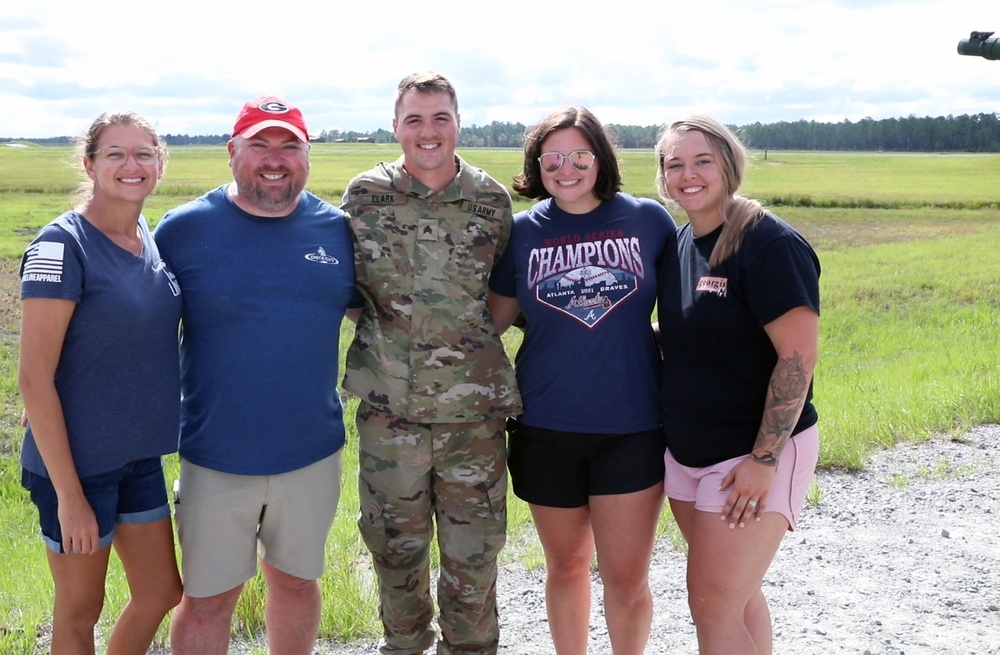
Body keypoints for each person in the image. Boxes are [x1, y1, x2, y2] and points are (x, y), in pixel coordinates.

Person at [153, 96, 362, 655]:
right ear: (232, 153)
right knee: (208, 598)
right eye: (260, 145)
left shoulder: (339, 230)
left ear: (307, 155)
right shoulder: (183, 230)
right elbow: (131, 320)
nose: (276, 159)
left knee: (296, 583)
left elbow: (382, 320)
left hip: (311, 453)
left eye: (289, 145)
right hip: (214, 455)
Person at [340, 72, 521, 655]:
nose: (427, 131)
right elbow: (350, 289)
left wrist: (460, 347)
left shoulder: (491, 201)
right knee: (395, 553)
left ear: (458, 123)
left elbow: (504, 294)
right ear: (395, 126)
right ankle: (405, 647)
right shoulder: (364, 195)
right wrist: (394, 347)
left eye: (440, 117)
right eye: (414, 119)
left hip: (475, 421)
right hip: (390, 420)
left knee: (474, 559)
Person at [486, 106, 676, 655]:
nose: (565, 170)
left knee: (625, 577)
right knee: (566, 565)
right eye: (552, 160)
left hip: (633, 426)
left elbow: (688, 312)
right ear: (536, 165)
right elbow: (488, 325)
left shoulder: (647, 221)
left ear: (601, 159)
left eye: (579, 157)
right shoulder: (520, 233)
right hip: (545, 425)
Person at [654, 115, 821, 655]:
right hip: (687, 453)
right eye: (674, 164)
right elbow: (691, 333)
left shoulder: (767, 242)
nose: (688, 174)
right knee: (737, 599)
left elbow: (797, 357)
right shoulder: (683, 242)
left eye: (702, 160)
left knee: (711, 605)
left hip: (748, 456)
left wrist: (764, 460)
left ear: (729, 164)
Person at [18, 111, 182, 654]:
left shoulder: (147, 236)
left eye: (143, 154)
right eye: (115, 154)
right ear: (90, 164)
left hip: (137, 456)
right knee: (79, 611)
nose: (130, 165)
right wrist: (69, 497)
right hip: (77, 467)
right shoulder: (62, 246)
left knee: (161, 592)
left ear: (159, 163)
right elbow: (33, 377)